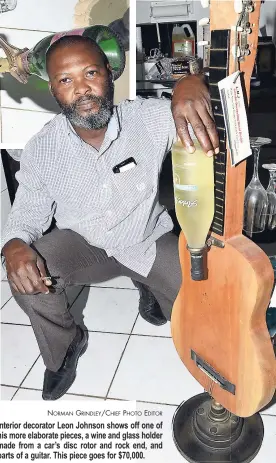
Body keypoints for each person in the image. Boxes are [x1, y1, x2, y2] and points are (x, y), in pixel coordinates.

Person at [1, 35, 219, 401]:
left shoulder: (148, 119)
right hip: (83, 244)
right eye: (66, 80)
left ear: (110, 74)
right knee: (27, 281)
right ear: (53, 90)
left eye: (91, 73)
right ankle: (67, 347)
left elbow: (197, 106)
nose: (82, 90)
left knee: (199, 306)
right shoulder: (42, 148)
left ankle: (148, 286)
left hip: (146, 241)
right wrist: (13, 243)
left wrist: (192, 82)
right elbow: (28, 210)